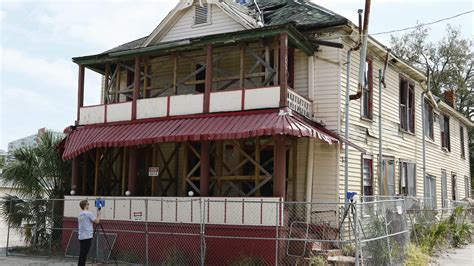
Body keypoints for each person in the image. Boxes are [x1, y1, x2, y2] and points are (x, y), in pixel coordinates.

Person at [78, 200, 100, 266]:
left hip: (81, 236)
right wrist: (99, 215)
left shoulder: (80, 214)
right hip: (87, 236)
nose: (88, 205)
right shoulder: (88, 213)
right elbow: (97, 221)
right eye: (88, 204)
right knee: (84, 253)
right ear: (85, 205)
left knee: (82, 253)